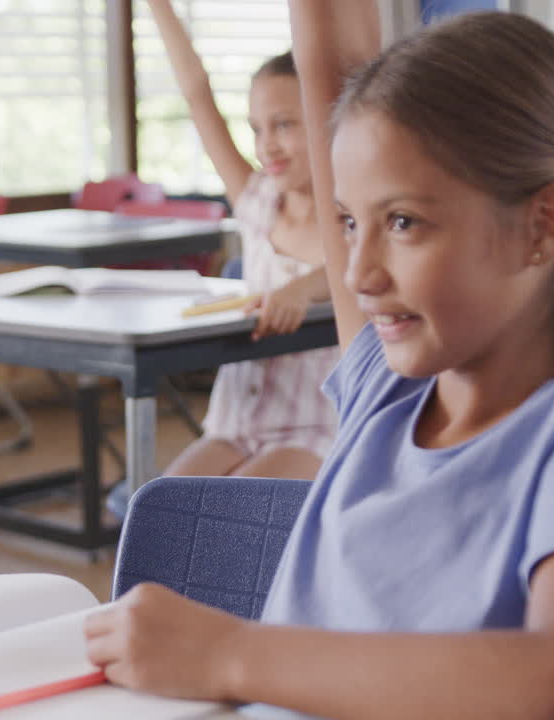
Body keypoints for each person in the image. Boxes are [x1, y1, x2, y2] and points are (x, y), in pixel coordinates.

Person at [84, 8, 554, 719]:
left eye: (402, 222)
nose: (360, 272)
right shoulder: (386, 387)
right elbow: (332, 58)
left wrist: (229, 654)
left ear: (545, 225)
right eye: (347, 223)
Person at [141, 0, 337, 487]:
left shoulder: (352, 216)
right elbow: (195, 94)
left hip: (312, 428)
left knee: (226, 533)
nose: (267, 145)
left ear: (328, 117)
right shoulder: (255, 202)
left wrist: (302, 290)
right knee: (159, 518)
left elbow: (352, 270)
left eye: (285, 125)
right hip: (236, 423)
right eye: (257, 128)